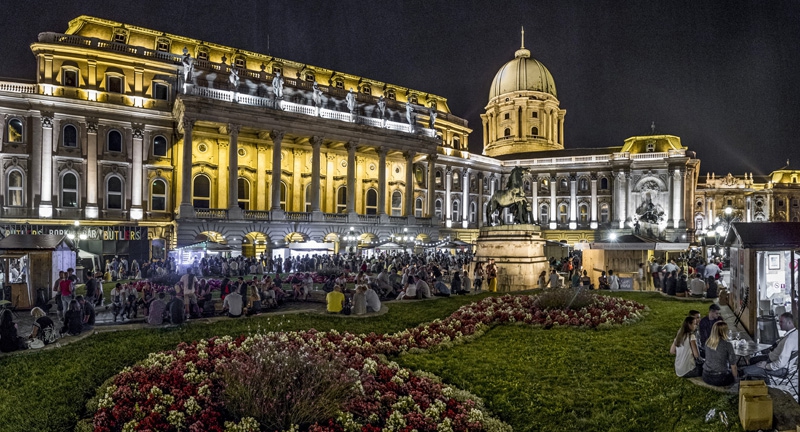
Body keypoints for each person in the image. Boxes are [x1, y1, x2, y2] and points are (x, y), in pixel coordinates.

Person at [743, 312, 797, 379]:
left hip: (781, 369)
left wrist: (766, 366)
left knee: (746, 371)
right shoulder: (795, 333)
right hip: (772, 358)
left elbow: (781, 363)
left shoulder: (789, 340)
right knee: (752, 360)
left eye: (781, 322)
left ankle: (763, 382)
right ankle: (759, 377)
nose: (779, 324)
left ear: (789, 322)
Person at [702, 321, 738, 386]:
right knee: (739, 372)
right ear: (724, 332)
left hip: (705, 376)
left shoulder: (707, 342)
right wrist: (735, 379)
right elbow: (733, 365)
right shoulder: (727, 345)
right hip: (719, 378)